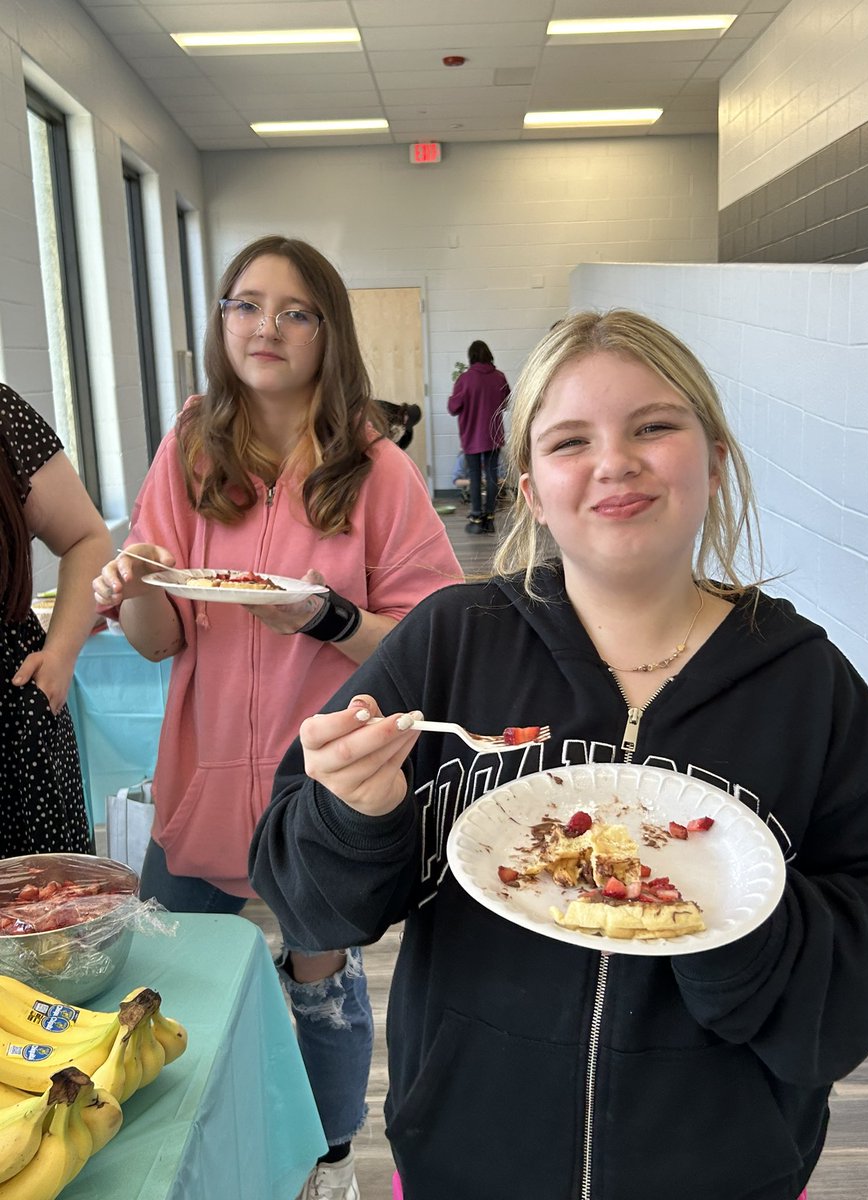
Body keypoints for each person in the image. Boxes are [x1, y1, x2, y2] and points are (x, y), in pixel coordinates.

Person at [249, 310, 868, 1200]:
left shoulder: (805, 685)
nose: (614, 462)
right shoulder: (451, 643)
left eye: (653, 426)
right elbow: (306, 899)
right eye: (570, 441)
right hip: (464, 1162)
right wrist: (352, 814)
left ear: (714, 459)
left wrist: (734, 931)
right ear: (530, 487)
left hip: (723, 1171)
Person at [91, 235, 463, 1200]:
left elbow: (433, 638)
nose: (267, 327)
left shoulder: (374, 469)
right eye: (246, 305)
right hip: (202, 775)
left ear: (328, 333)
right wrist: (133, 583)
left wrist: (326, 618)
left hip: (320, 793)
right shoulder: (191, 447)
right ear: (221, 321)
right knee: (163, 987)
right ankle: (170, 1156)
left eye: (296, 311)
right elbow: (158, 639)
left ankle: (329, 1162)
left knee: (321, 988)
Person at [0, 382, 112, 857]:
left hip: (13, 719)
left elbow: (87, 537)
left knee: (43, 897)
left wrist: (61, 656)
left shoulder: (3, 415)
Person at [447, 339, 509, 534]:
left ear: (471, 357)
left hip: (472, 435)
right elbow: (506, 403)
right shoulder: (499, 377)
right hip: (493, 434)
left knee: (474, 476)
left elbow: (453, 408)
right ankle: (489, 519)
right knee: (492, 475)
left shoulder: (465, 379)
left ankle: (475, 519)